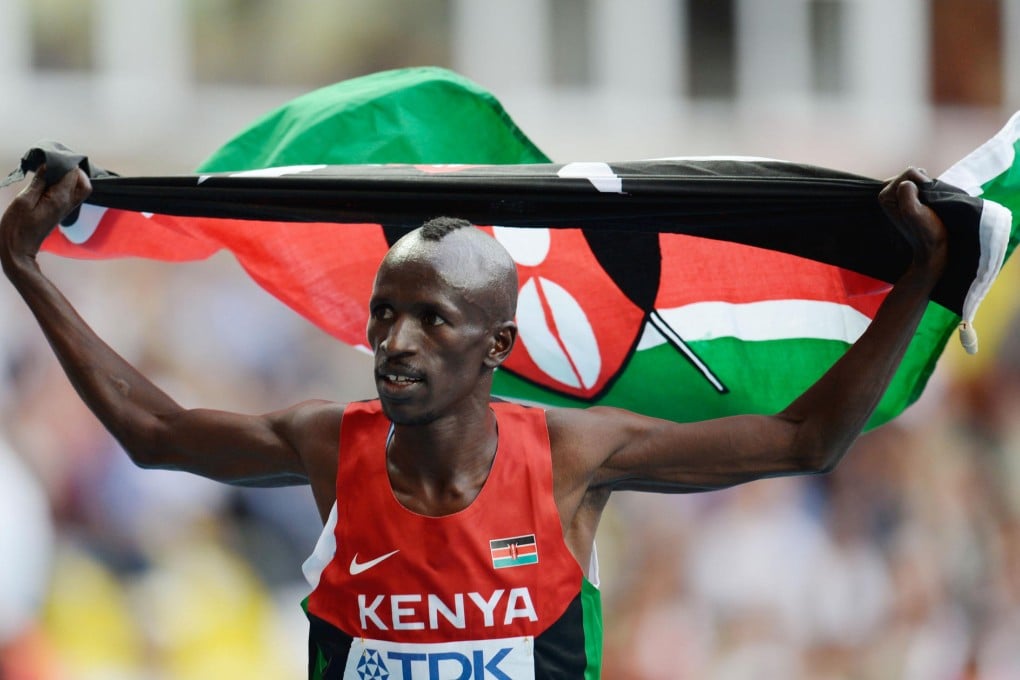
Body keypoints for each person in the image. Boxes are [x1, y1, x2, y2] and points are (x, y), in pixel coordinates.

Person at [1, 164, 947, 679]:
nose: (395, 342)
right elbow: (154, 433)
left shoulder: (576, 455)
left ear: (496, 347)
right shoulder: (332, 444)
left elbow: (807, 440)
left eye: (431, 319)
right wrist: (29, 272)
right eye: (382, 313)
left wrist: (918, 279)